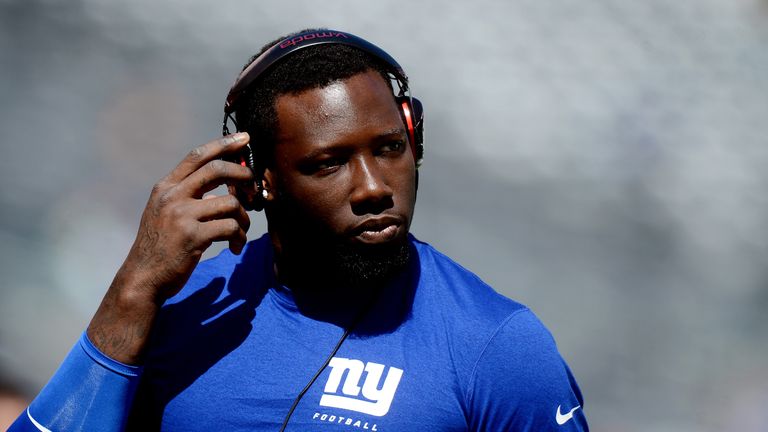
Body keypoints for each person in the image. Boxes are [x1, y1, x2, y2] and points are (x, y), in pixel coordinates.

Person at [10, 29, 588, 431]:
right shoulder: (175, 310)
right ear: (257, 180)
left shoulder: (497, 345)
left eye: (390, 148)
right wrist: (133, 290)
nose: (373, 187)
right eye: (328, 163)